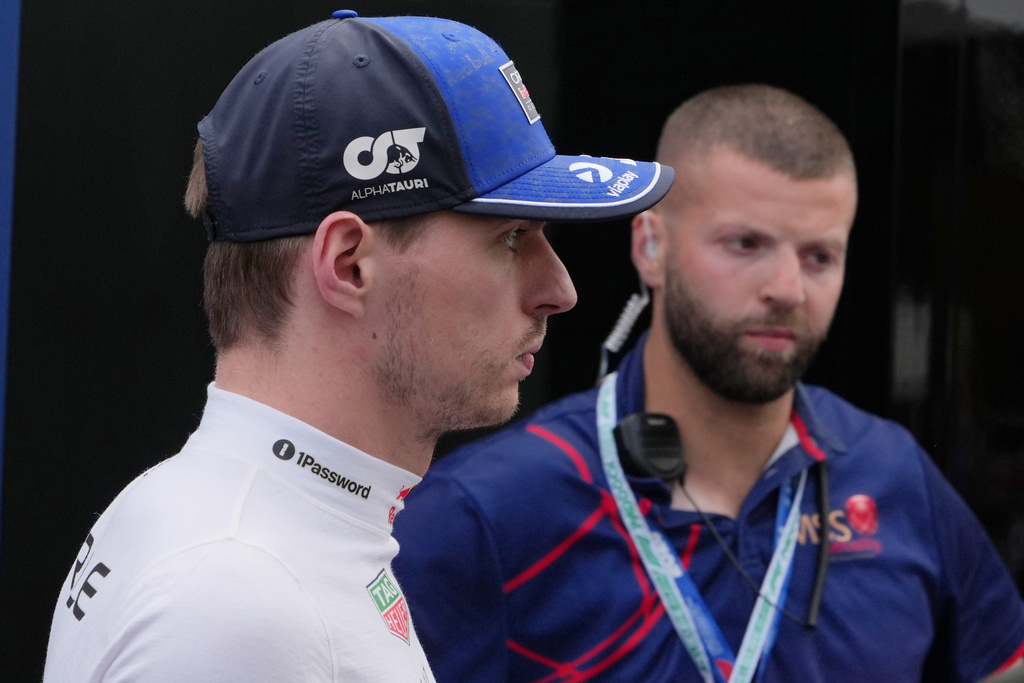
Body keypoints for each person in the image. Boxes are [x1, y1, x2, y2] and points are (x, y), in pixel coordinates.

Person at [41, 11, 673, 682]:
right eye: (511, 237)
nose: (559, 290)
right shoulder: (239, 593)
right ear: (348, 266)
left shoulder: (249, 529)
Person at [393, 84, 1024, 682]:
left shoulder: (893, 474)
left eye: (819, 256)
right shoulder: (484, 512)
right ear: (650, 246)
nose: (788, 289)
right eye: (746, 243)